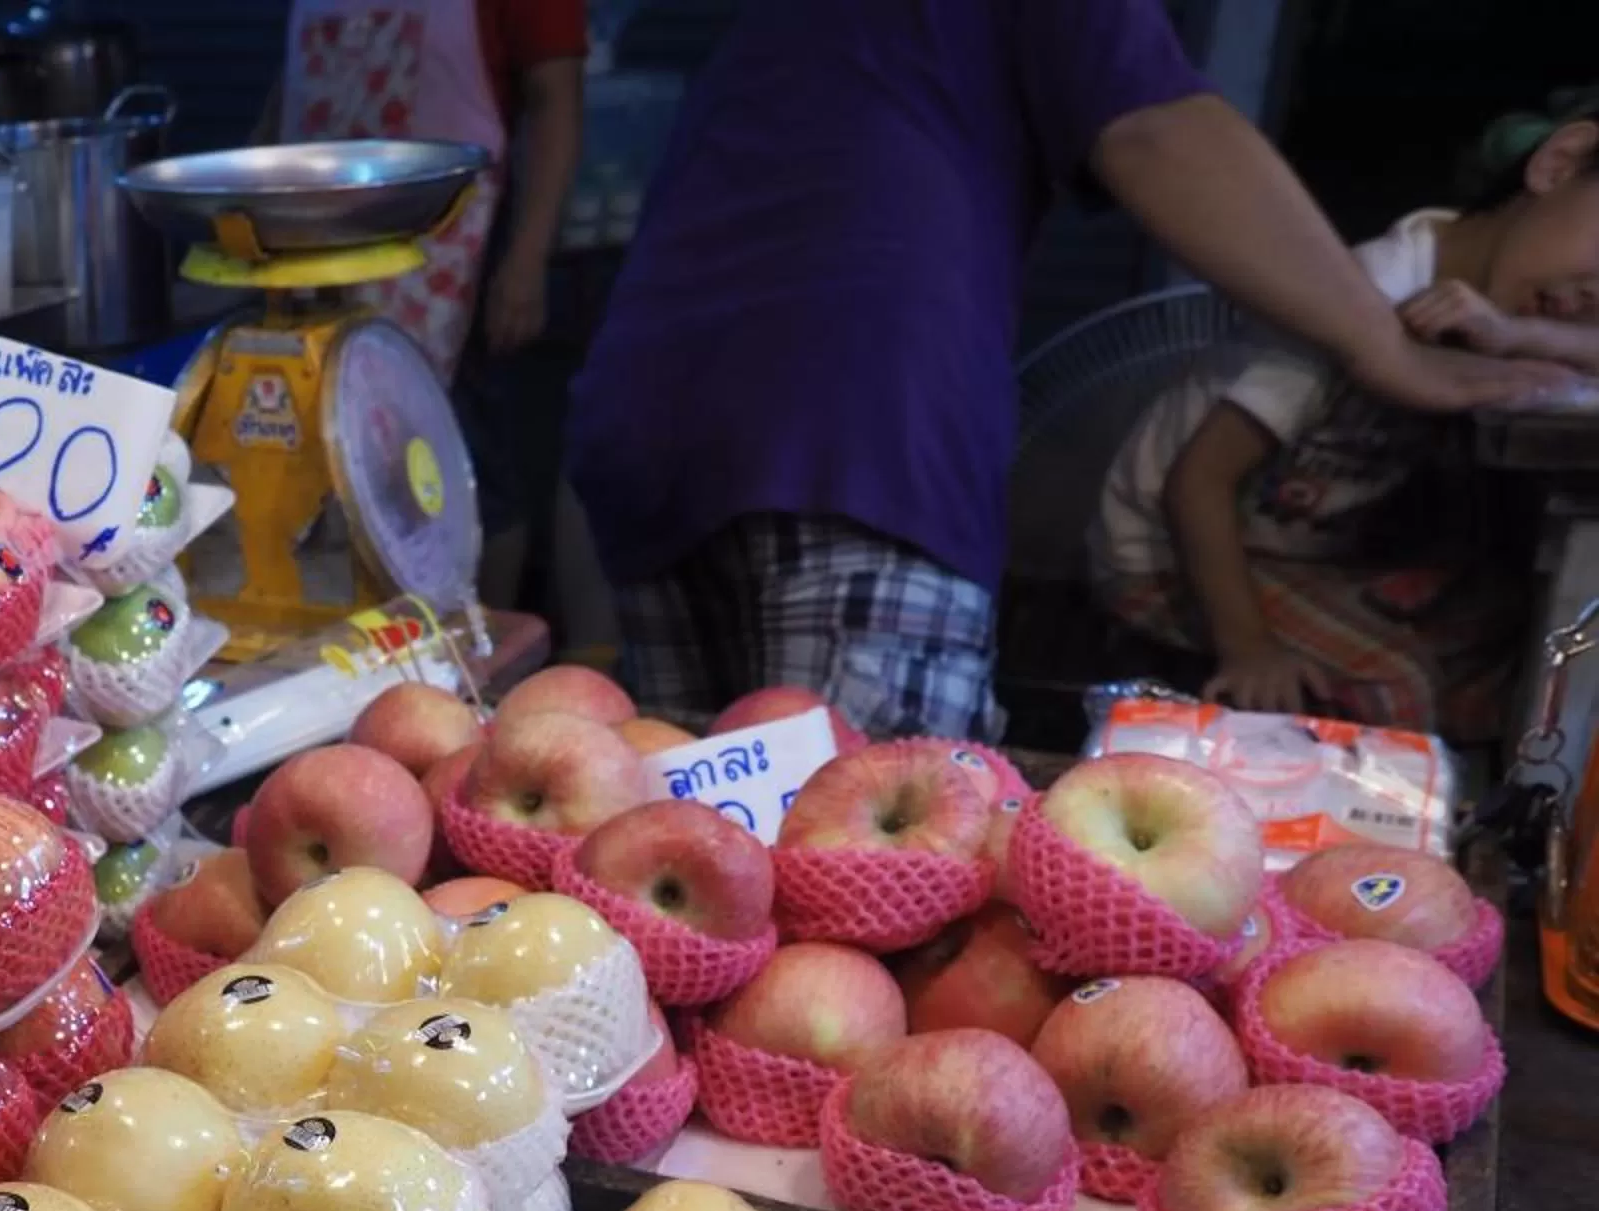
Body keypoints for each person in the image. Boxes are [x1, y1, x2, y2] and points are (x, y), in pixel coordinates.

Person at [565, 0, 1567, 742]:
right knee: (866, 899)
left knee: (696, 870)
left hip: (652, 414)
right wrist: (1387, 349)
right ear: (1564, 161)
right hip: (851, 425)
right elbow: (1157, 129)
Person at [1092, 92, 1599, 737]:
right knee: (1407, 687)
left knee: (1526, 633)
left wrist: (1517, 337)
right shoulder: (1361, 294)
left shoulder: (1504, 308)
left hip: (1310, 550)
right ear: (1561, 163)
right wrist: (1250, 650)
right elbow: (1196, 481)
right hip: (1169, 552)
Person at [277, 0, 586, 384]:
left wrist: (527, 259)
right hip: (299, 265)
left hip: (442, 271)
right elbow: (289, 89)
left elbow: (554, 101)